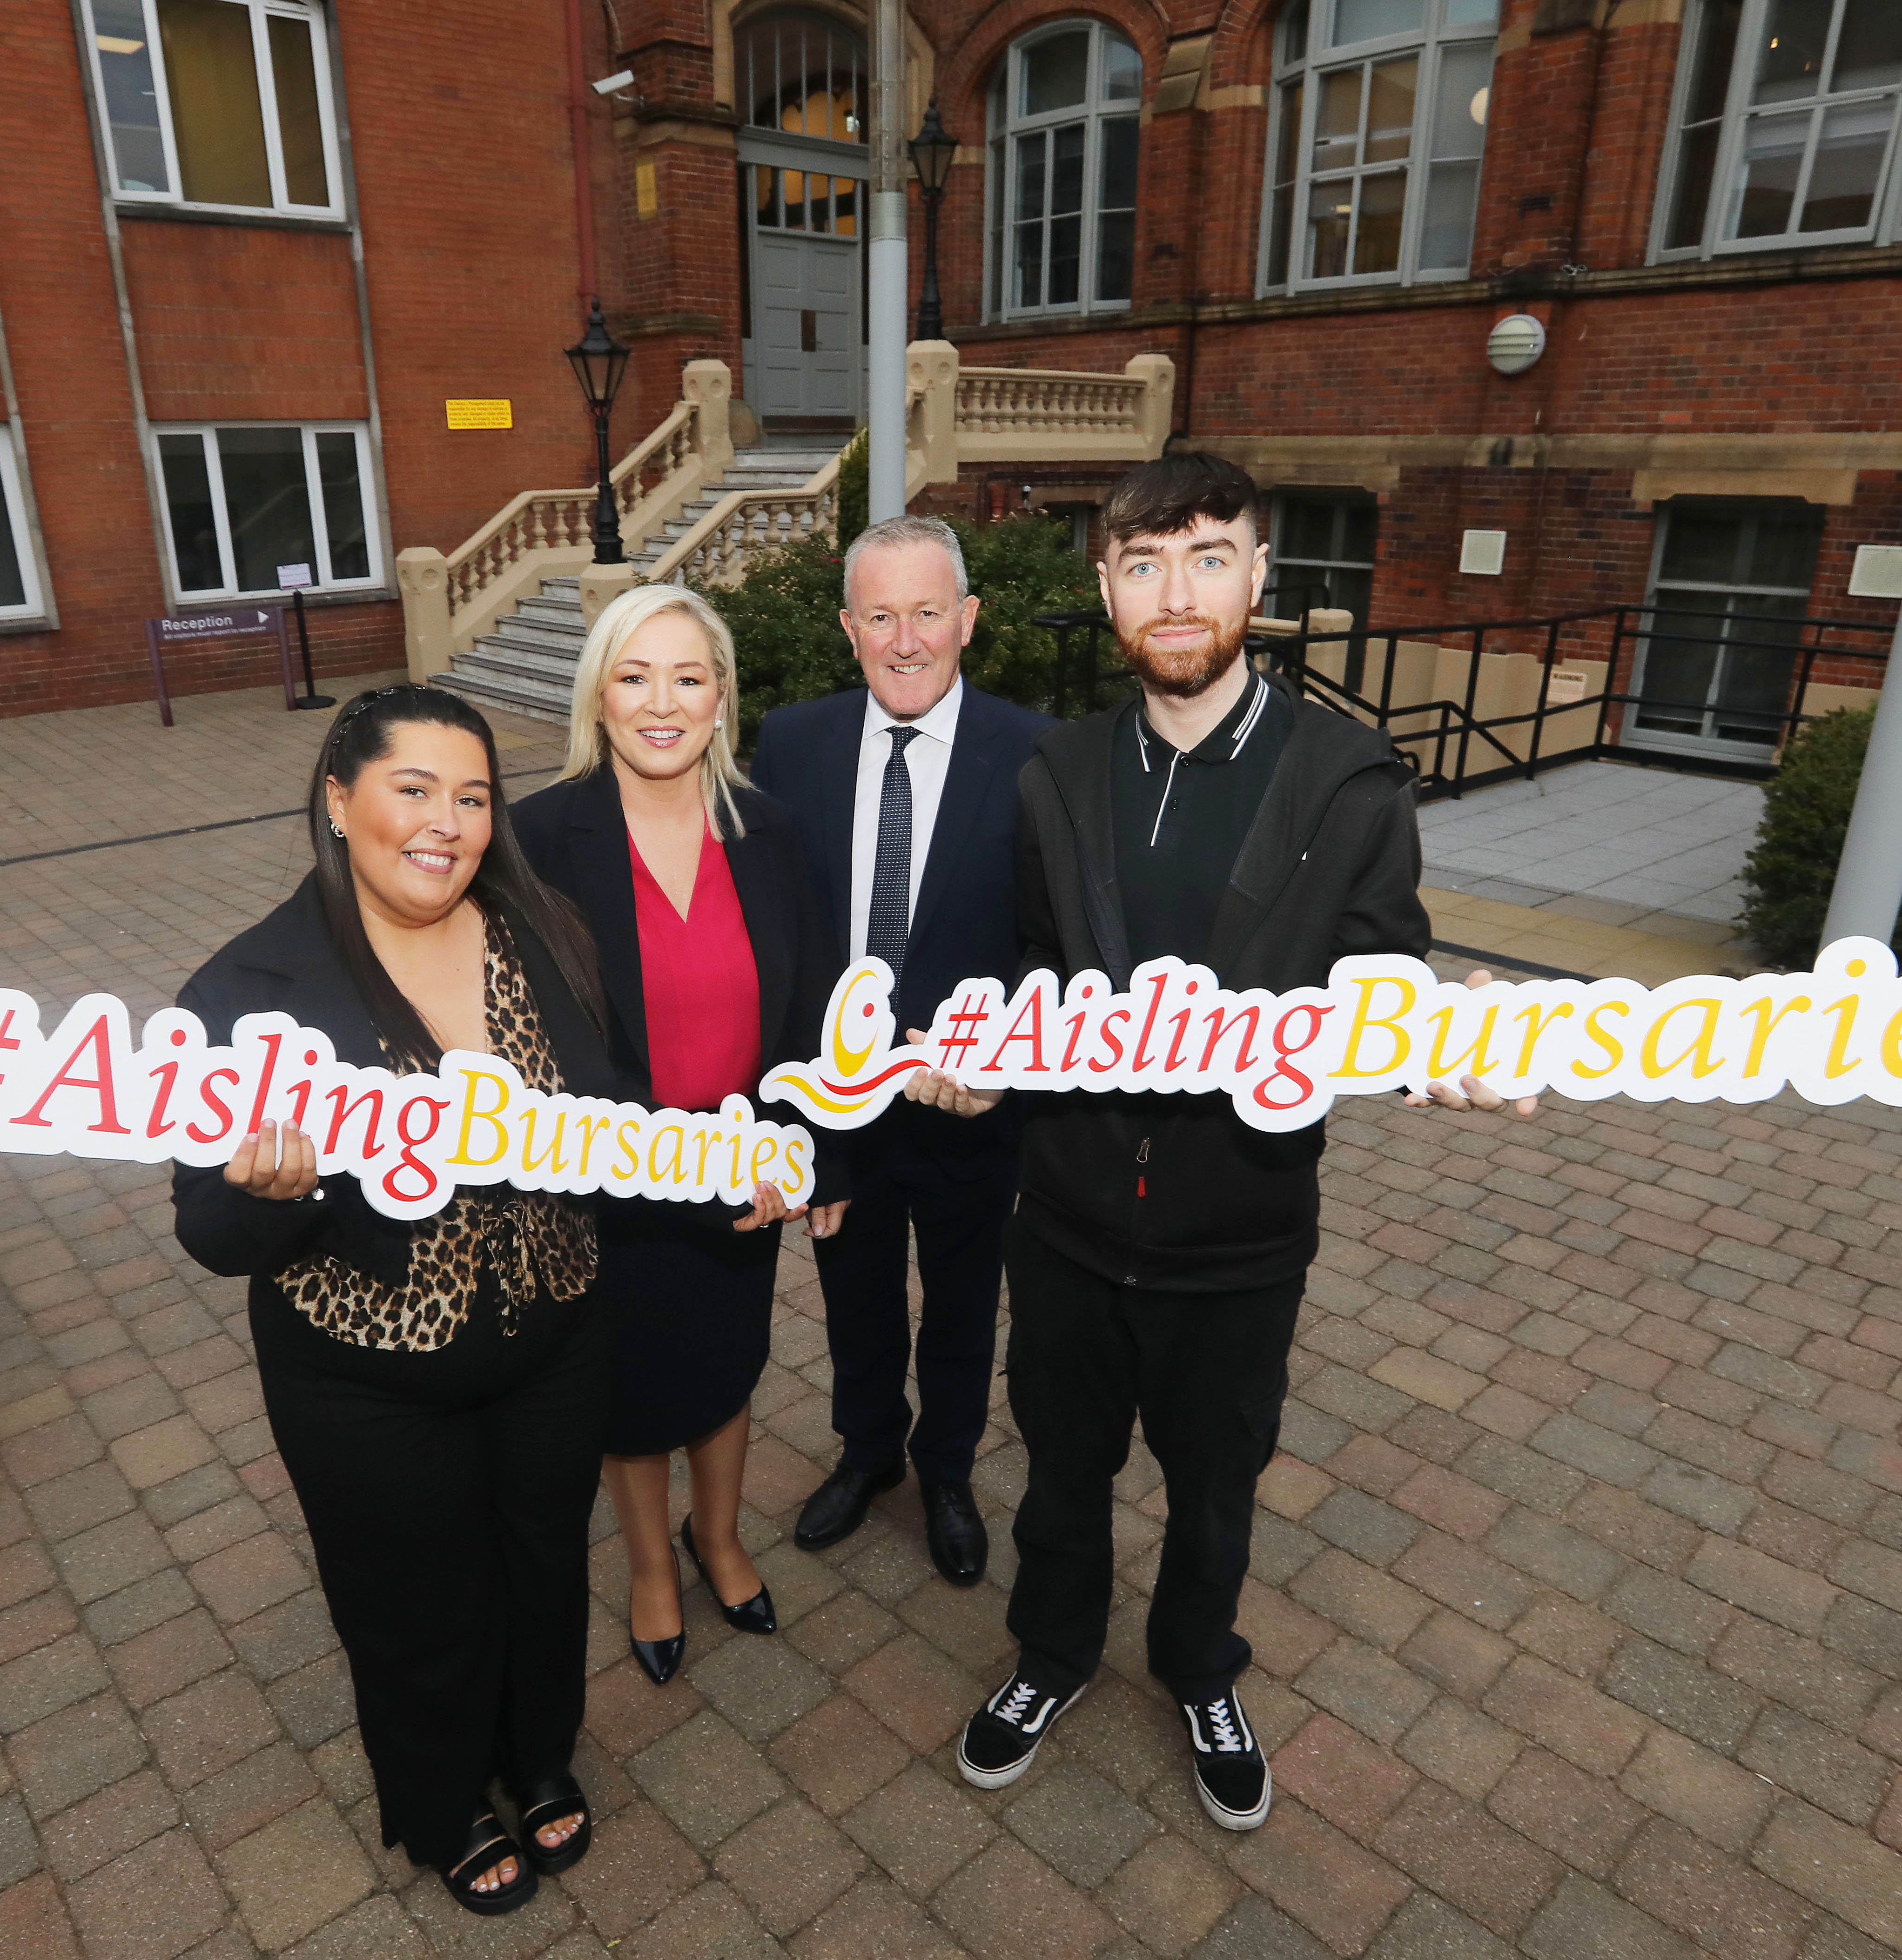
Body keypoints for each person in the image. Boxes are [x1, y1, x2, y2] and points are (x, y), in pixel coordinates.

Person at [902, 454, 1533, 1832]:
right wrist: (976, 1056)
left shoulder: (1347, 779)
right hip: (1064, 1212)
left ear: (1259, 576)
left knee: (1215, 1483)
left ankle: (1199, 1667)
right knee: (1060, 1465)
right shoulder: (1056, 773)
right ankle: (1053, 1652)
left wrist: (1442, 1041)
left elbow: (1384, 971)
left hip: (1243, 1227)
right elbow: (1029, 961)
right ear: (1107, 590)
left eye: (1205, 558)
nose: (1173, 593)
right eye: (1141, 563)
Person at [170, 685, 617, 1917]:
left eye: (471, 798)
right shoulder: (245, 989)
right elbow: (209, 1230)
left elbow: (615, 1118)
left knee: (541, 1565)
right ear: (337, 799)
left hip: (556, 1336)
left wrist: (730, 1170)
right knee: (415, 1596)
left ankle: (534, 1756)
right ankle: (439, 1797)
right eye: (412, 789)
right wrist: (270, 1190)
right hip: (366, 1375)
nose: (447, 824)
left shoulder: (545, 932)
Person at [516, 584, 851, 1685]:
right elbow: (540, 1041)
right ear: (599, 695)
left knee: (724, 1365)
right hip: (617, 1182)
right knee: (626, 1393)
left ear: (720, 701)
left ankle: (719, 1538)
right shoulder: (536, 840)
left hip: (746, 1173)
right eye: (634, 675)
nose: (661, 702)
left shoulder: (772, 831)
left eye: (688, 677)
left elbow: (809, 1011)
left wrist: (815, 1152)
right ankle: (652, 1567)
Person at [749, 514, 1050, 1585]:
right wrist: (792, 1120)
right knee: (855, 1297)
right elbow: (768, 936)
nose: (906, 638)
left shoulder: (1034, 752)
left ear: (967, 620)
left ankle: (948, 1472)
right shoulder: (791, 744)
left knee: (965, 1305)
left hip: (973, 1109)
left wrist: (996, 1049)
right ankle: (868, 1451)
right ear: (848, 628)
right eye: (881, 615)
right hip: (841, 1113)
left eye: (928, 612)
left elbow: (1053, 940)